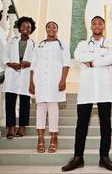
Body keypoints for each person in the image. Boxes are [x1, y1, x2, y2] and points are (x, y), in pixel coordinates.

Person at [61, 16, 112, 172]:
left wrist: (92, 62)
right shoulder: (82, 44)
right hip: (86, 90)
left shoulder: (111, 45)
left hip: (103, 89)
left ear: (104, 26)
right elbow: (78, 56)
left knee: (106, 124)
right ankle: (78, 158)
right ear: (91, 26)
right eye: (94, 23)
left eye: (100, 23)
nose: (97, 25)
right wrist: (101, 59)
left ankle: (104, 157)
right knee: (81, 125)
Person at [29, 21, 70, 153]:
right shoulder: (39, 45)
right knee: (40, 108)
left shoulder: (62, 45)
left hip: (55, 80)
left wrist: (63, 80)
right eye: (49, 27)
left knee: (53, 108)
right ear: (46, 29)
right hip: (39, 80)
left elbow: (66, 64)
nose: (51, 29)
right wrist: (31, 82)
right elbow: (33, 65)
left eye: (54, 27)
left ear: (57, 29)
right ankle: (40, 139)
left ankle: (53, 138)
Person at [1, 16, 36, 139]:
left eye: (29, 27)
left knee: (25, 102)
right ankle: (11, 127)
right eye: (24, 26)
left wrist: (29, 63)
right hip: (12, 73)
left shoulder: (34, 44)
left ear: (31, 30)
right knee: (10, 102)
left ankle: (22, 127)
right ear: (20, 28)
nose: (26, 28)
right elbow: (4, 55)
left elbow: (38, 60)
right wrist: (11, 64)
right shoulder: (12, 41)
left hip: (26, 75)